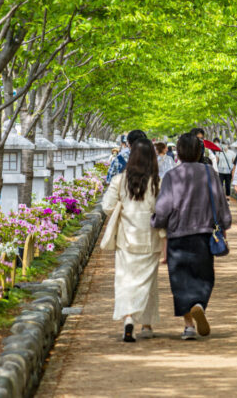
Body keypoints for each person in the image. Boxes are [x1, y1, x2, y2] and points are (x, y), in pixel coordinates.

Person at [152, 133, 231, 341]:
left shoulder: (172, 175)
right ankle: (199, 304)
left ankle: (188, 326)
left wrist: (156, 222)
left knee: (180, 281)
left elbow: (164, 207)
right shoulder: (210, 173)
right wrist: (225, 223)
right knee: (204, 276)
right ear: (199, 151)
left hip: (177, 236)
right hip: (204, 235)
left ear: (178, 152)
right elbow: (220, 201)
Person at [101, 138, 165, 342]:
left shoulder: (119, 180)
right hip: (150, 239)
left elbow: (107, 206)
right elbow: (160, 212)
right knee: (148, 283)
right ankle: (146, 324)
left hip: (125, 239)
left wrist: (123, 209)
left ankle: (128, 317)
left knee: (125, 279)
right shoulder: (156, 182)